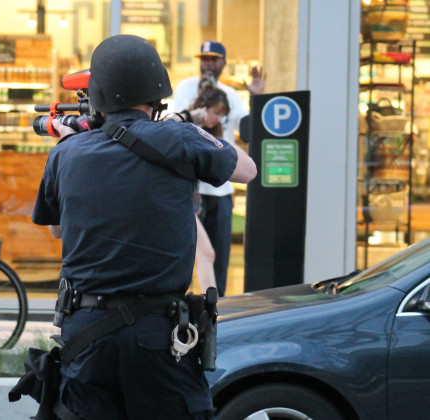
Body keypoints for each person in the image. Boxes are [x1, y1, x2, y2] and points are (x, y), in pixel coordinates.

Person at [32, 35, 256, 419]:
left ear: (98, 97)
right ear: (156, 96)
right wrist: (184, 128)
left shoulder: (66, 152)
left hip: (85, 333)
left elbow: (56, 231)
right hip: (160, 336)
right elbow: (247, 171)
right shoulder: (178, 136)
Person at [172, 40, 265, 297]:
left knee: (217, 257)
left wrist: (257, 98)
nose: (208, 64)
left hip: (220, 190)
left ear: (223, 63)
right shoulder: (185, 87)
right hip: (189, 189)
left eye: (214, 59)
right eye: (204, 59)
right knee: (185, 255)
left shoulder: (230, 95)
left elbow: (246, 130)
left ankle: (216, 311)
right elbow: (173, 126)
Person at [182, 86, 232, 293]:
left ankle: (210, 308)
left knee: (204, 254)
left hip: (188, 202)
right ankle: (210, 310)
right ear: (204, 107)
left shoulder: (204, 131)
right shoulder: (185, 125)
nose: (218, 119)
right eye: (217, 113)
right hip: (180, 202)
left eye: (222, 115)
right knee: (204, 254)